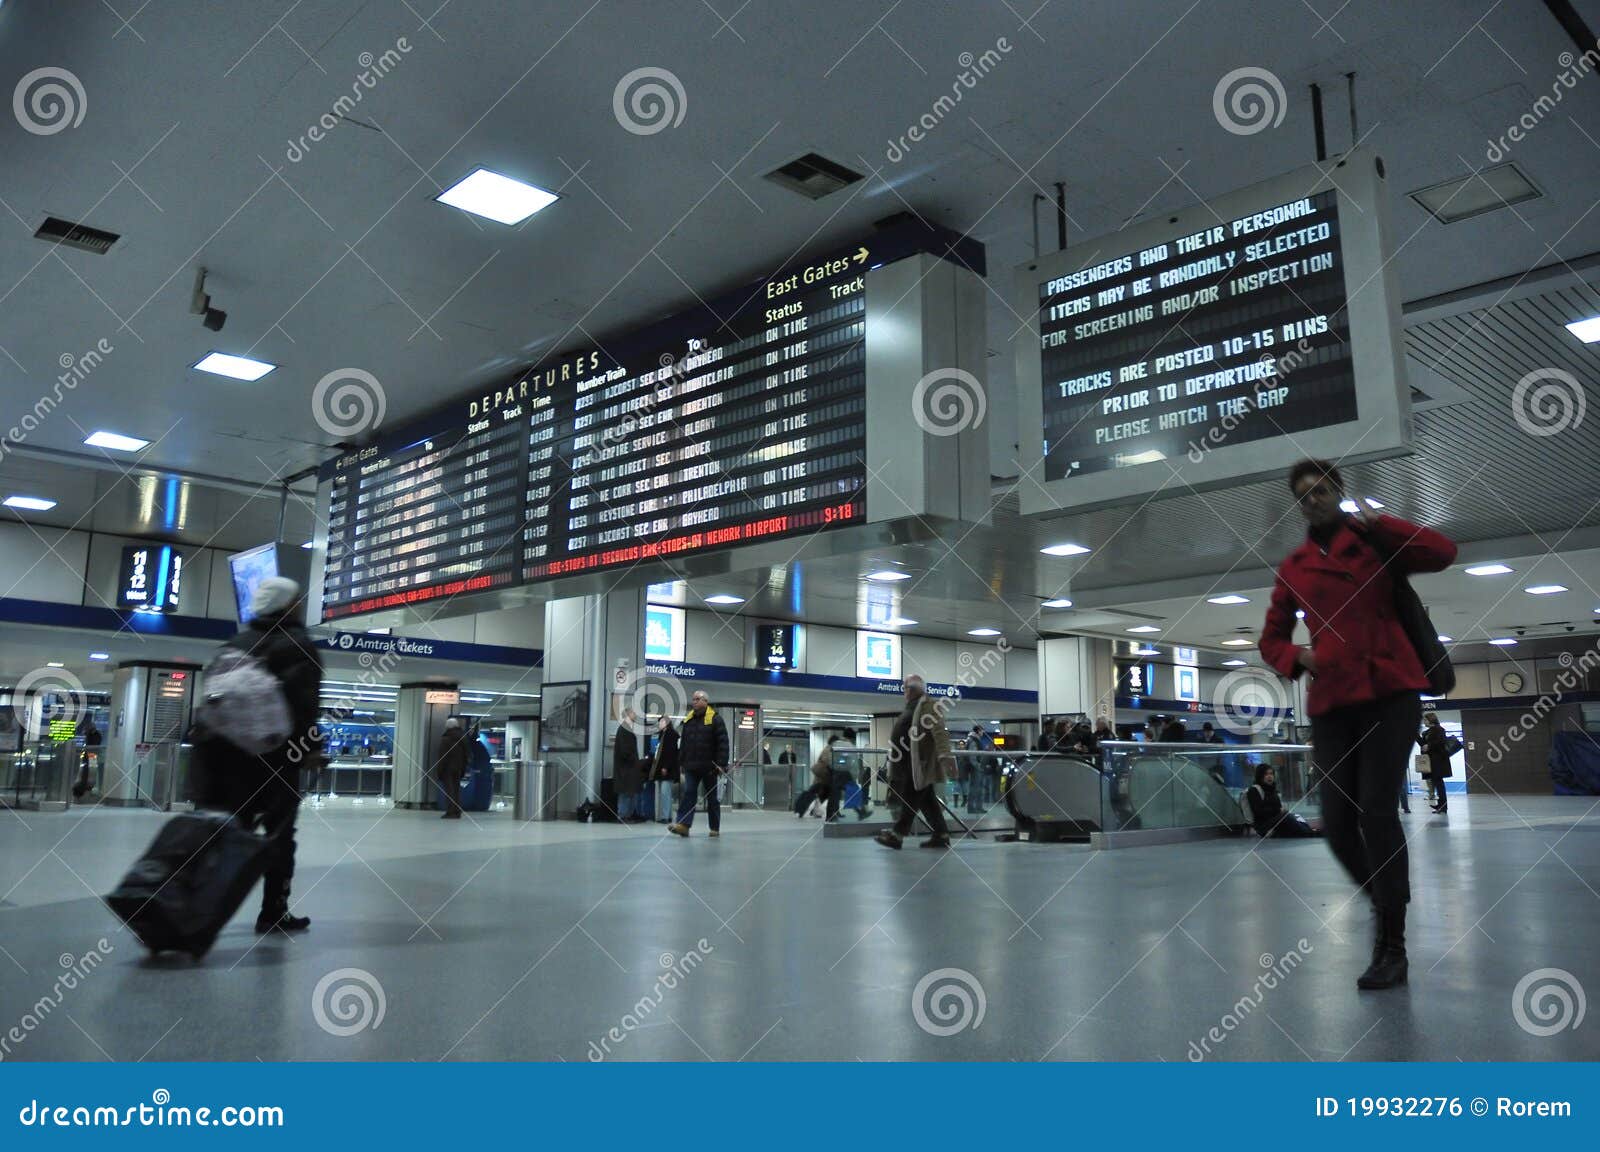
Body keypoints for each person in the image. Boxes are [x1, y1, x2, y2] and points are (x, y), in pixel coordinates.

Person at [1260, 458, 1457, 990]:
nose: (1312, 500)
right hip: (1332, 702)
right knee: (1338, 826)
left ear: (1338, 491)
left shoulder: (1375, 542)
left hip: (1390, 691)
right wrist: (1298, 657)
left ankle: (1391, 944)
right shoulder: (1295, 567)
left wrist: (1381, 523)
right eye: (1303, 495)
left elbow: (1442, 552)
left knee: (1376, 809)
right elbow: (1271, 638)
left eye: (1321, 490)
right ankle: (1386, 901)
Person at [194, 577, 323, 933]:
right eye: (298, 601)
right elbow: (304, 706)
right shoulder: (298, 645)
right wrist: (309, 749)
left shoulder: (235, 643)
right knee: (279, 836)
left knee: (225, 833)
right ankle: (273, 912)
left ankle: (195, 911)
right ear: (290, 605)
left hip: (225, 760)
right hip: (276, 759)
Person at [875, 674, 956, 850]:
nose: (903, 692)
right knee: (927, 801)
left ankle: (897, 835)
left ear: (913, 689)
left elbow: (939, 731)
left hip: (919, 764)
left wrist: (945, 755)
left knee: (911, 799)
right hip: (907, 764)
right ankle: (941, 835)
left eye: (905, 688)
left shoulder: (929, 705)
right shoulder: (913, 707)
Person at [669, 691, 729, 838]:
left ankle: (714, 828)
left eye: (697, 699)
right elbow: (684, 743)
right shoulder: (688, 720)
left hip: (710, 767)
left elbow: (723, 743)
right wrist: (681, 761)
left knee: (712, 798)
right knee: (689, 792)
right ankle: (683, 825)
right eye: (693, 699)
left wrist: (721, 764)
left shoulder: (715, 719)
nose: (694, 702)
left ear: (705, 701)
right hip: (691, 765)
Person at [1245, 764, 1321, 838]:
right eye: (1266, 774)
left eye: (1271, 774)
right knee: (1286, 817)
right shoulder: (1254, 790)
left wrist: (1280, 811)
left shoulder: (1272, 790)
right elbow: (1259, 811)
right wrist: (1279, 811)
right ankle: (1311, 833)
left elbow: (1277, 807)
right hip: (1264, 825)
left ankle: (1310, 831)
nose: (1269, 776)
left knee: (1296, 816)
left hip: (1276, 820)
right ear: (1260, 776)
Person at [794, 734, 845, 819]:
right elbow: (828, 761)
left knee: (821, 795)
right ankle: (801, 809)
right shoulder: (829, 749)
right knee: (828, 794)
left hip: (825, 778)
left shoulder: (829, 749)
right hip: (823, 778)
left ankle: (807, 810)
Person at [612, 708, 644, 822]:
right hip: (626, 768)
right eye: (633, 713)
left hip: (627, 767)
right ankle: (623, 815)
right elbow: (626, 750)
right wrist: (635, 761)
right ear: (628, 715)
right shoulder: (625, 729)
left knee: (628, 792)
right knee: (626, 792)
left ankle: (626, 814)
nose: (635, 714)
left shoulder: (625, 729)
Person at [434, 717, 469, 819]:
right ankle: (457, 811)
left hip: (447, 769)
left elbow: (443, 756)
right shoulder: (463, 737)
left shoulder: (446, 739)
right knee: (456, 790)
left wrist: (439, 770)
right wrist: (464, 767)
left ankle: (450, 811)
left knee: (449, 791)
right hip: (459, 768)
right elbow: (467, 754)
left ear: (447, 727)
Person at [1418, 713, 1452, 813]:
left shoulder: (1439, 729)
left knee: (1439, 784)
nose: (1424, 722)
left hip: (1438, 762)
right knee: (1437, 783)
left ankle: (1443, 806)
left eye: (1425, 720)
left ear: (1431, 720)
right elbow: (1423, 744)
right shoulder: (1427, 732)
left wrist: (1429, 746)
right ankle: (1441, 805)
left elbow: (1440, 742)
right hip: (1431, 761)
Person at [650, 715, 679, 823]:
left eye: (661, 722)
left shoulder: (670, 735)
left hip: (667, 769)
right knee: (666, 793)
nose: (659, 724)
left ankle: (665, 817)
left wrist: (665, 766)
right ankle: (668, 815)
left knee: (665, 793)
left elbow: (670, 753)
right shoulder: (662, 735)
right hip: (662, 768)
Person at [71, 715, 103, 799]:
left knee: (89, 772)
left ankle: (84, 789)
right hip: (90, 756)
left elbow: (93, 745)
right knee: (86, 773)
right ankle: (84, 789)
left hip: (91, 756)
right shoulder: (94, 734)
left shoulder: (94, 735)